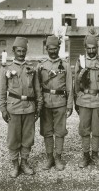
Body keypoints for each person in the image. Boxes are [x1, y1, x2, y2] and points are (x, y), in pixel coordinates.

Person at [0, 36, 42, 178]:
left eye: (23, 51)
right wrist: (3, 109)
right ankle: (15, 165)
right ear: (13, 51)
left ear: (26, 51)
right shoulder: (6, 69)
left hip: (29, 108)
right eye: (18, 51)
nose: (21, 53)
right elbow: (2, 91)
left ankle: (24, 162)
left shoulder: (31, 68)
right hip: (14, 108)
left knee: (28, 138)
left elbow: (37, 90)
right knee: (13, 138)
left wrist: (39, 107)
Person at [37, 35, 73, 171]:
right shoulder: (41, 65)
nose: (53, 51)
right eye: (50, 49)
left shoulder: (65, 65)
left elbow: (70, 86)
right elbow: (37, 86)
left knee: (60, 132)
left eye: (55, 48)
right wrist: (38, 104)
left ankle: (58, 157)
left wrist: (70, 105)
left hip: (60, 103)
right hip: (46, 103)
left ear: (59, 48)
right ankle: (49, 158)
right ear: (46, 49)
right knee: (47, 132)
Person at [74, 34, 99, 168]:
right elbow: (76, 83)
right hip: (84, 100)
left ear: (97, 47)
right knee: (84, 129)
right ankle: (85, 156)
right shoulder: (80, 61)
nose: (91, 51)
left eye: (93, 48)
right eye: (88, 48)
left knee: (97, 129)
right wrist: (77, 98)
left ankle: (95, 154)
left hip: (98, 100)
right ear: (85, 48)